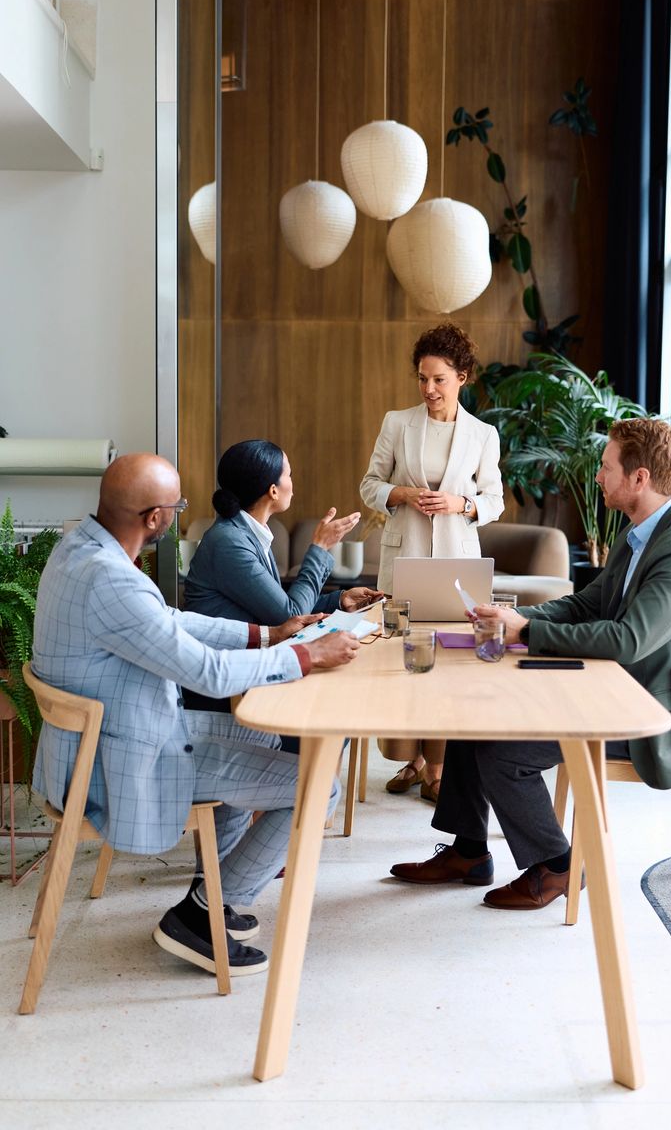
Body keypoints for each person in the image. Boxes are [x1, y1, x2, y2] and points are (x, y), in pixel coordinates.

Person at [31, 453, 360, 977]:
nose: (182, 513)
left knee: (266, 741)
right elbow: (205, 673)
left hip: (111, 738)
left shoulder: (78, 550)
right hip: (122, 762)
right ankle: (201, 913)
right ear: (155, 519)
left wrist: (266, 634)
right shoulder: (113, 580)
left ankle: (213, 895)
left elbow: (169, 620)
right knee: (320, 784)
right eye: (177, 506)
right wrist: (305, 655)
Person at [390, 418, 671, 909]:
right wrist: (514, 616)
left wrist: (527, 632)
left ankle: (558, 866)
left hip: (644, 711)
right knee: (470, 718)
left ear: (639, 479)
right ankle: (468, 852)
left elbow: (627, 641)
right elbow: (588, 604)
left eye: (606, 467)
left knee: (502, 753)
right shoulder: (645, 532)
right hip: (609, 686)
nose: (597, 476)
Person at [360, 323, 504, 803]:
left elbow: (495, 499)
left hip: (455, 567)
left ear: (462, 377)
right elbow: (370, 485)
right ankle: (412, 758)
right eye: (423, 378)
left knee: (447, 663)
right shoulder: (397, 423)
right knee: (401, 659)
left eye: (439, 379)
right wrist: (400, 493)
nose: (429, 389)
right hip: (402, 563)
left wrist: (462, 504)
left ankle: (438, 767)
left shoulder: (483, 435)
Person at [183, 439, 382, 737]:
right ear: (273, 490)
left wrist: (338, 601)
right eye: (288, 474)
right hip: (227, 685)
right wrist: (319, 548)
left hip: (251, 664)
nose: (293, 482)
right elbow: (287, 614)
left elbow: (280, 611)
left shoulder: (246, 533)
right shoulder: (230, 543)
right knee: (332, 720)